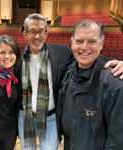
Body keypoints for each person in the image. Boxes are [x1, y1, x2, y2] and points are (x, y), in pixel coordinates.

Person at [18, 13, 123, 150]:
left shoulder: (61, 52)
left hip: (50, 118)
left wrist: (117, 63)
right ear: (25, 34)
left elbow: (88, 58)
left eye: (41, 31)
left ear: (46, 33)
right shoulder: (17, 61)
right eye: (32, 32)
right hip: (25, 116)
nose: (37, 36)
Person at [56, 19, 123, 150]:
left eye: (92, 41)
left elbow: (118, 140)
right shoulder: (67, 70)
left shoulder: (114, 82)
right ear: (72, 43)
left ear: (101, 44)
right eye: (79, 41)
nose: (84, 47)